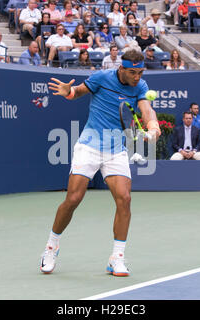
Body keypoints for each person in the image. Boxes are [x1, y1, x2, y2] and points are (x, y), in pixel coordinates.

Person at [40, 50, 161, 276]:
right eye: (132, 72)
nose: (137, 77)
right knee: (74, 198)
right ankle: (51, 246)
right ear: (121, 68)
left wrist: (153, 126)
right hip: (89, 145)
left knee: (124, 199)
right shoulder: (102, 77)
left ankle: (117, 257)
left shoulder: (141, 86)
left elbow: (146, 109)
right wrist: (69, 91)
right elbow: (78, 92)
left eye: (140, 72)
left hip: (116, 149)